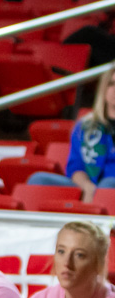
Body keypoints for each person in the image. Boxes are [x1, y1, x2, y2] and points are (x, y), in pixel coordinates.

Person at [27, 63, 115, 202]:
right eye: (111, 84)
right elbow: (75, 167)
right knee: (38, 179)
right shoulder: (85, 126)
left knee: (108, 184)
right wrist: (87, 187)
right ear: (103, 89)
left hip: (110, 189)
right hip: (88, 188)